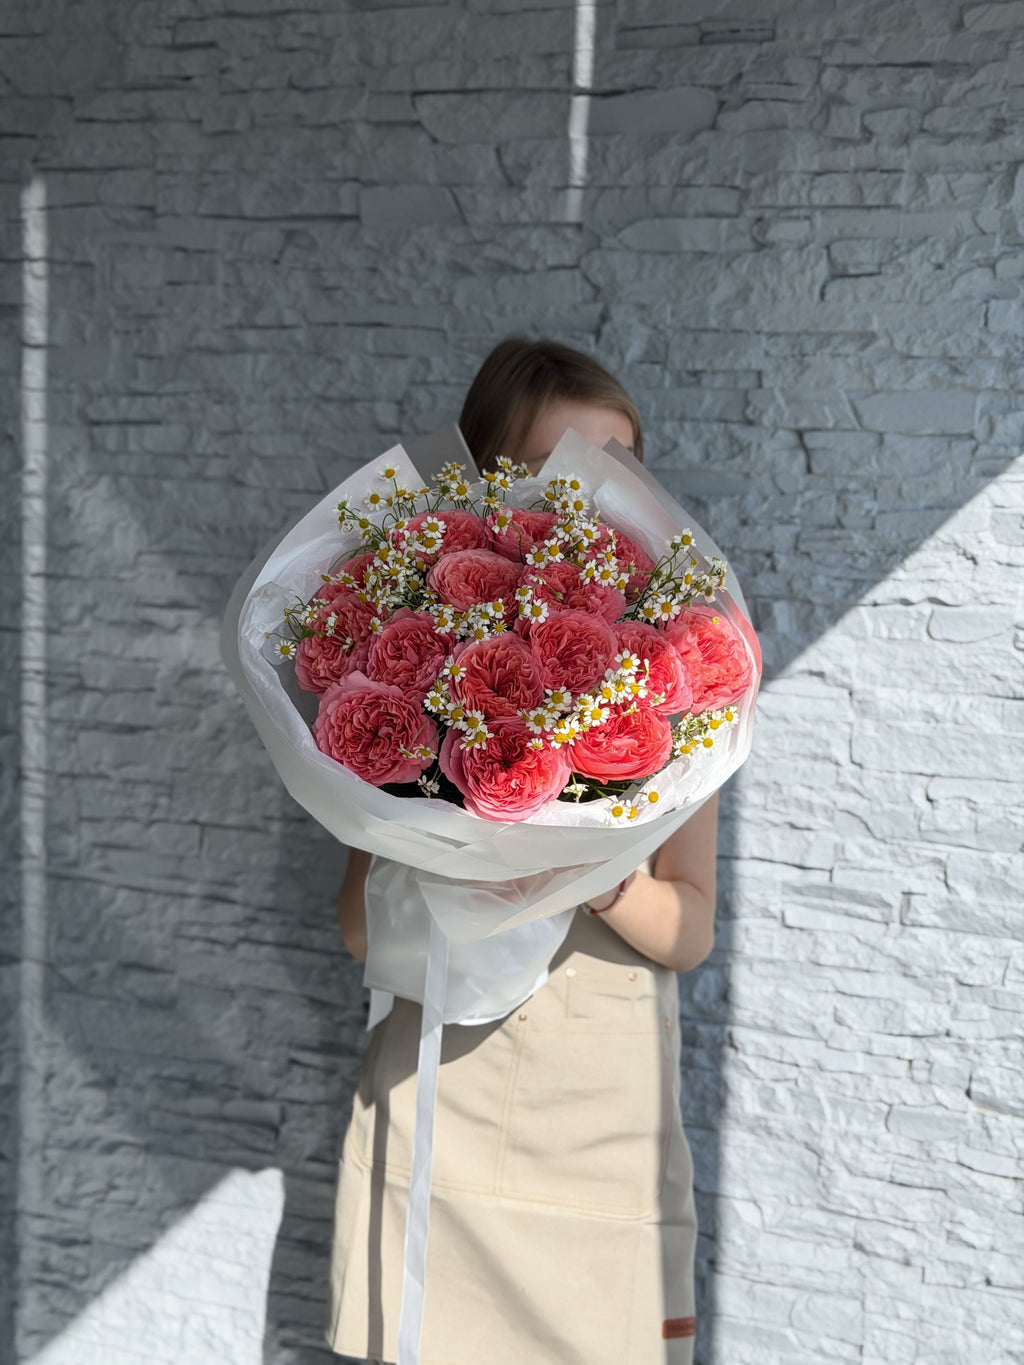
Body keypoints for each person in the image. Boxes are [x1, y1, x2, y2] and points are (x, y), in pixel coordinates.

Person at [325, 337, 718, 1365]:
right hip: (435, 1101)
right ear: (489, 482)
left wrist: (595, 871)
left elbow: (689, 930)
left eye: (620, 464)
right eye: (560, 469)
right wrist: (451, 829)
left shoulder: (681, 684)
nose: (595, 495)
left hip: (601, 1128)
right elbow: (360, 927)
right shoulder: (410, 668)